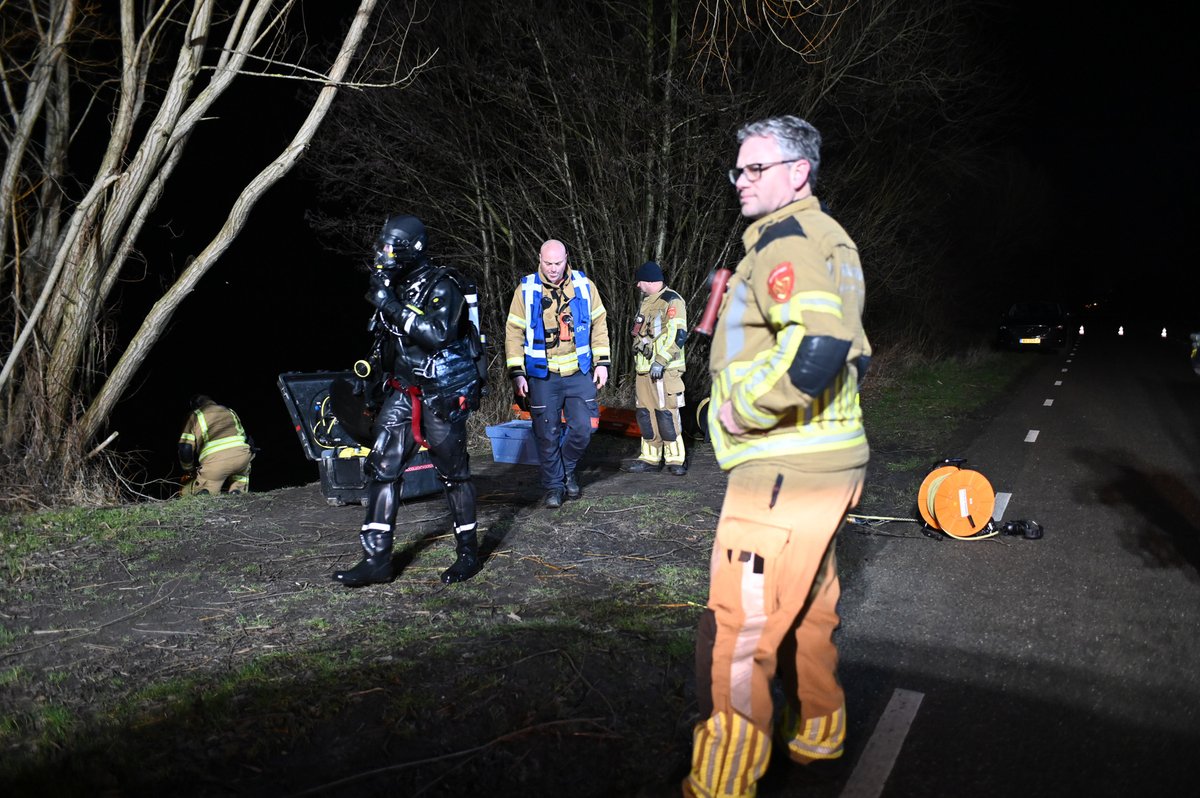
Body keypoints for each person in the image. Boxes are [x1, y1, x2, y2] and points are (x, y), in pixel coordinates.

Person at [684, 115, 872, 798]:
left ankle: (722, 783)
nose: (740, 181)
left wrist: (744, 409)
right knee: (811, 612)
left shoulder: (789, 241)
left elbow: (819, 349)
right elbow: (858, 351)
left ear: (798, 173)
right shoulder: (827, 240)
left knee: (739, 630)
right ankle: (820, 733)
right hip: (826, 467)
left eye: (755, 168)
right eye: (737, 169)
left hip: (784, 473)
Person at [333, 214, 486, 588]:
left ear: (412, 249)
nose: (383, 254)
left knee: (453, 474)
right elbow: (387, 340)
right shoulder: (398, 285)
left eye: (390, 247)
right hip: (403, 391)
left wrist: (389, 303)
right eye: (381, 246)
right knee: (382, 467)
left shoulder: (443, 285)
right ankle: (376, 559)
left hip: (441, 394)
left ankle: (468, 553)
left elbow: (437, 333)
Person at [504, 239, 611, 508]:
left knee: (584, 429)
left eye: (558, 263)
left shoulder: (585, 287)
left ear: (567, 259)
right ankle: (555, 486)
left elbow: (599, 325)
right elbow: (513, 332)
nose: (553, 269)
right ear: (539, 259)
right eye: (548, 263)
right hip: (542, 374)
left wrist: (602, 362)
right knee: (547, 433)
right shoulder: (526, 289)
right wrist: (517, 373)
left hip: (578, 372)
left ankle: (566, 470)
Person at [620, 260, 689, 476]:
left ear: (649, 281)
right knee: (645, 414)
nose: (638, 286)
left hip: (664, 371)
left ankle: (676, 459)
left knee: (667, 413)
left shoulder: (672, 301)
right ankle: (649, 458)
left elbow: (678, 335)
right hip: (644, 371)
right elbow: (641, 333)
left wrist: (660, 360)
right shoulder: (647, 303)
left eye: (640, 281)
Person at [178, 395, 253, 495]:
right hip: (241, 458)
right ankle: (237, 490)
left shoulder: (195, 415)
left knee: (196, 490)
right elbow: (244, 437)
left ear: (195, 406)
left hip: (215, 464)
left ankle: (205, 491)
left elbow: (185, 448)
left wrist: (189, 469)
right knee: (241, 475)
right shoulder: (230, 411)